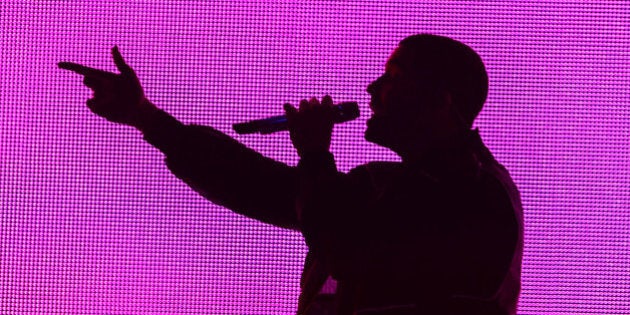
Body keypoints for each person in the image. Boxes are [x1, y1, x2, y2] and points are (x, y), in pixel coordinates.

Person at [59, 34, 523, 315]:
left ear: (440, 99)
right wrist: (147, 117)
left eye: (394, 76)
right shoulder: (387, 185)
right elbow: (265, 187)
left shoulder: (473, 190)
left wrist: (317, 154)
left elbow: (348, 247)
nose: (372, 88)